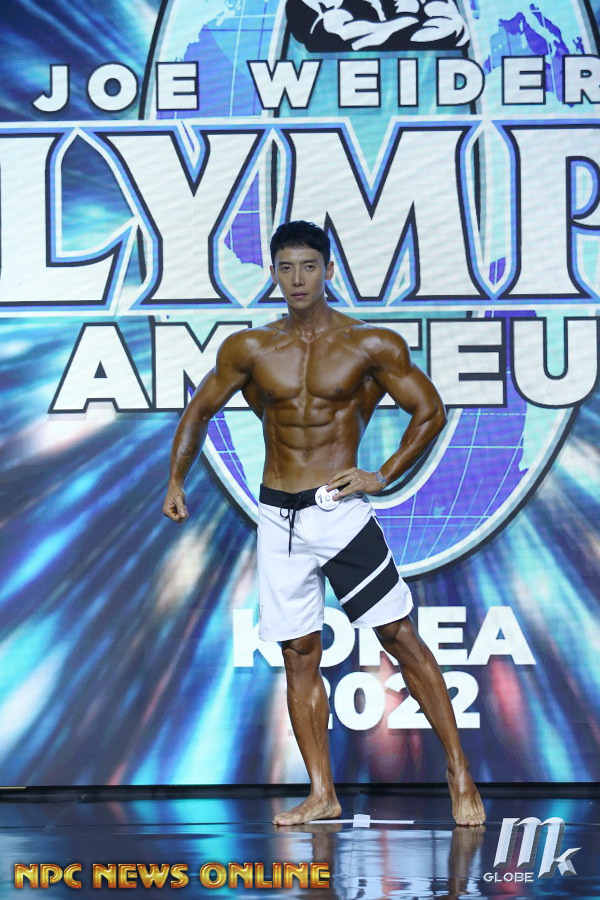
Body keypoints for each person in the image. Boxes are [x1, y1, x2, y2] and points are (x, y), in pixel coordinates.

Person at [162, 220, 485, 827]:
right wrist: (176, 480)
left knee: (398, 636)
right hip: (278, 514)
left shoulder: (369, 344)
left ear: (329, 271)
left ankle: (459, 772)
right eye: (286, 268)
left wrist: (381, 474)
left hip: (339, 512)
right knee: (298, 650)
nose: (298, 279)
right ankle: (321, 793)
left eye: (309, 266)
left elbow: (430, 411)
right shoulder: (250, 349)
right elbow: (199, 410)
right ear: (273, 274)